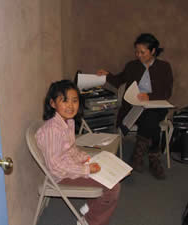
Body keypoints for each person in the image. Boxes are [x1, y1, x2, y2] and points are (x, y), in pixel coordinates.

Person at [35, 80, 120, 225]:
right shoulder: (52, 130)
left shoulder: (68, 122)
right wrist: (86, 169)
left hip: (71, 167)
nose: (70, 105)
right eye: (65, 101)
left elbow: (71, 149)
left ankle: (91, 208)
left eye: (74, 101)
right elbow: (56, 166)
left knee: (109, 171)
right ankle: (89, 221)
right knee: (113, 186)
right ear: (53, 103)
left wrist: (87, 158)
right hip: (62, 176)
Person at [97, 33, 173, 180]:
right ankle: (153, 159)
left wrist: (149, 97)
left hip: (157, 106)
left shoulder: (164, 67)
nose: (138, 55)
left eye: (142, 52)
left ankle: (137, 156)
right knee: (152, 123)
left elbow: (167, 91)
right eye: (137, 51)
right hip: (135, 107)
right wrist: (107, 75)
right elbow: (119, 80)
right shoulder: (132, 66)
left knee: (150, 116)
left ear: (152, 51)